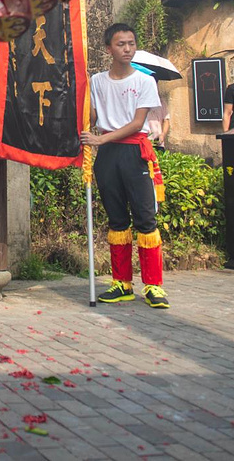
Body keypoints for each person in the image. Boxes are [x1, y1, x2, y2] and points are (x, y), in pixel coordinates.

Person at [83, 23, 169, 309]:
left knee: (145, 219)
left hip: (134, 152)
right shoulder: (96, 81)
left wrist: (100, 139)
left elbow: (136, 123)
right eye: (121, 44)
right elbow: (92, 116)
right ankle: (122, 283)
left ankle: (154, 286)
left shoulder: (144, 81)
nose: (127, 49)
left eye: (131, 43)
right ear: (108, 48)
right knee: (117, 220)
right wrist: (80, 95)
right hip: (107, 155)